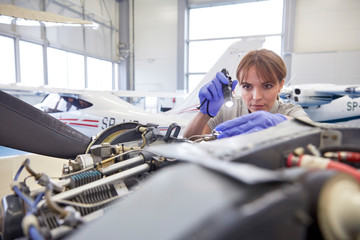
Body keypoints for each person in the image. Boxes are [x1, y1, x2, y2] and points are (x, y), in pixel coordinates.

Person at [183, 49, 311, 139]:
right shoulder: (228, 110)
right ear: (239, 85)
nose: (256, 97)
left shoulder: (289, 112)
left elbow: (314, 132)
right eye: (247, 86)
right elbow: (191, 140)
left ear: (280, 86)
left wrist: (279, 122)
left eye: (267, 86)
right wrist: (204, 113)